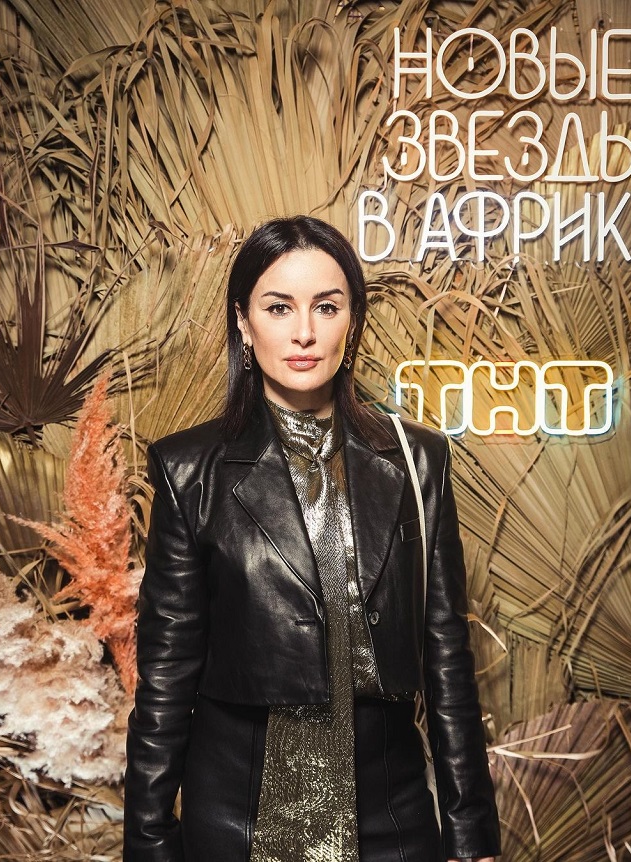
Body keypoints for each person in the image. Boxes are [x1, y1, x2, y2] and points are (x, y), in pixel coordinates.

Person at [124, 216, 501, 862]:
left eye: (326, 307)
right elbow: (165, 679)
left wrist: (472, 836)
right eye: (279, 307)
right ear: (244, 322)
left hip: (390, 818)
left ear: (352, 321)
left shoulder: (418, 461)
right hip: (238, 822)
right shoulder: (190, 471)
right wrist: (151, 842)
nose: (304, 332)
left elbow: (447, 657)